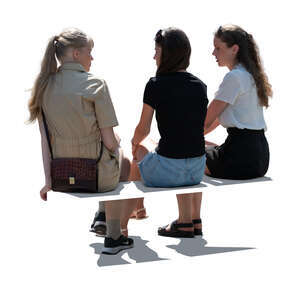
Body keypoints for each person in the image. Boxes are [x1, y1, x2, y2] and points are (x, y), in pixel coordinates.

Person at [27, 28, 140, 255]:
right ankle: (113, 234)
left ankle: (102, 214)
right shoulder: (95, 84)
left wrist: (48, 181)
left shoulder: (43, 87)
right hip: (95, 177)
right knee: (124, 157)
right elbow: (109, 142)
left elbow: (44, 141)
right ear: (77, 54)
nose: (92, 57)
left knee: (114, 150)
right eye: (90, 52)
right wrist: (119, 144)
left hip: (62, 176)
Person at [128, 28, 208, 238]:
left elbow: (143, 129)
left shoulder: (155, 84)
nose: (154, 56)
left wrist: (134, 143)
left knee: (137, 154)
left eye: (157, 51)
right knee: (175, 148)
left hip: (169, 173)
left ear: (168, 54)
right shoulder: (200, 86)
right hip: (197, 170)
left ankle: (132, 212)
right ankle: (193, 220)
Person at [204, 24, 272, 179]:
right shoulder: (249, 75)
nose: (213, 52)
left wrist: (181, 141)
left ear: (234, 49)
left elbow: (205, 121)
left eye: (218, 48)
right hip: (260, 158)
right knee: (205, 146)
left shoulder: (234, 78)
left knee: (188, 157)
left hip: (240, 157)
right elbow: (213, 121)